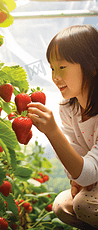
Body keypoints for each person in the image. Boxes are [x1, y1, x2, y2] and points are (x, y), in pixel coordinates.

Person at [27, 25, 98, 229]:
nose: (55, 77)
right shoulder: (68, 108)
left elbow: (88, 172)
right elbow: (77, 166)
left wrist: (52, 131)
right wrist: (79, 181)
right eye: (51, 68)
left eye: (62, 67)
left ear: (92, 65)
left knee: (84, 204)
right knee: (62, 205)